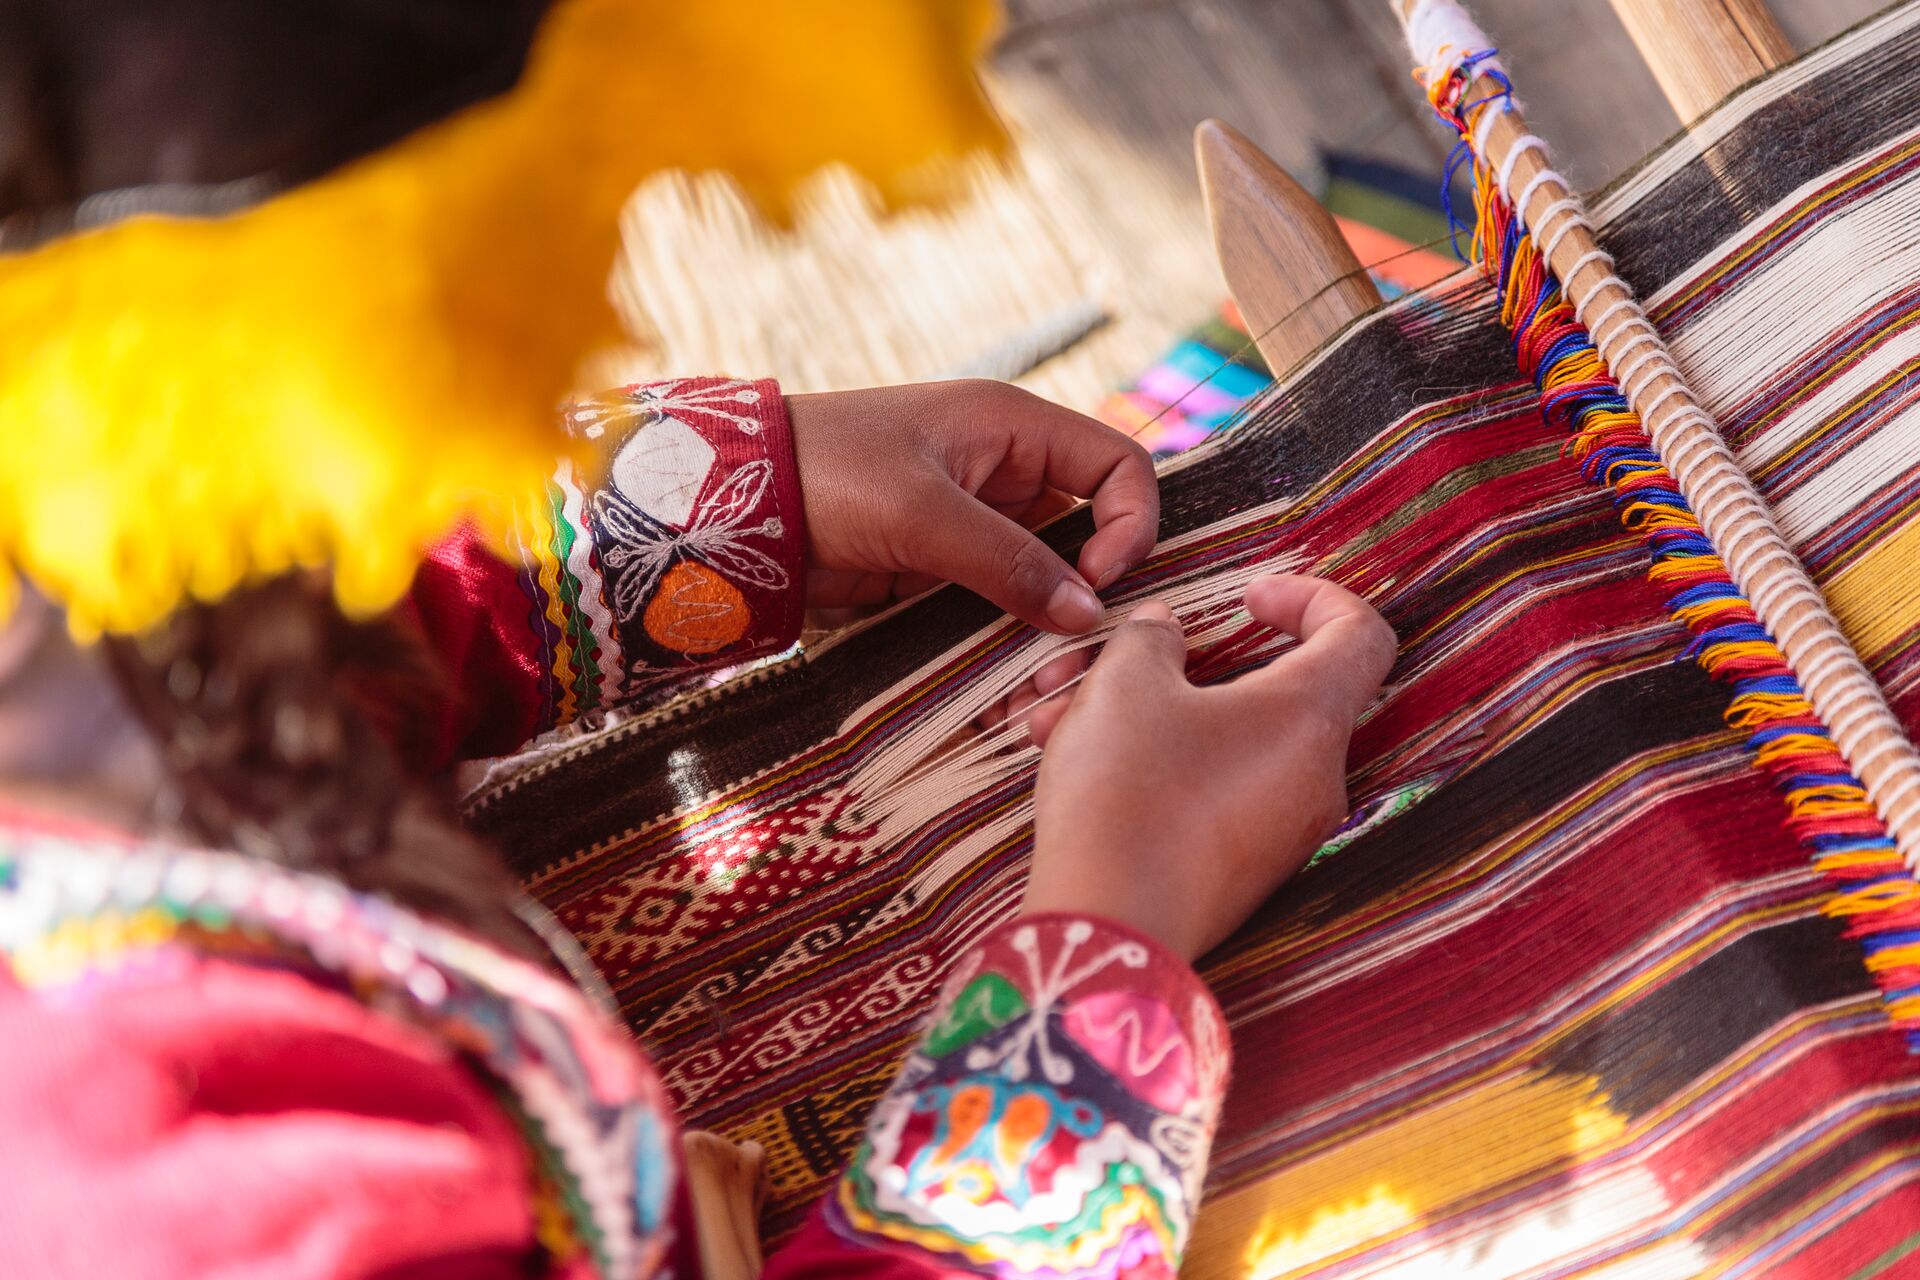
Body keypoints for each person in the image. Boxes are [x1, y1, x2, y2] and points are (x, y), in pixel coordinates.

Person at [0, 5, 1397, 1276]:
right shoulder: (133, 1171)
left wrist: (719, 504)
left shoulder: (80, 535)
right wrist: (1114, 923)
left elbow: (230, 574)